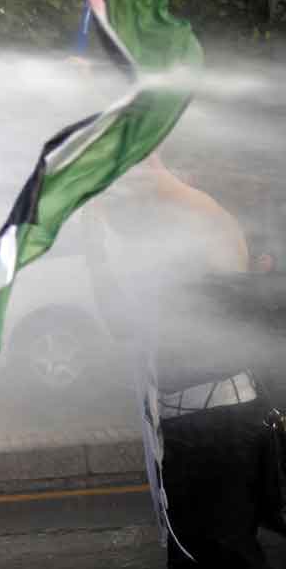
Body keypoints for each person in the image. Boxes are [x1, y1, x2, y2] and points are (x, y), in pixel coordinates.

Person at [86, 153, 276, 568]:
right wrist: (94, 242)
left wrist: (163, 179)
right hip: (178, 430)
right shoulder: (160, 262)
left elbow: (218, 231)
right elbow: (120, 323)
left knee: (227, 549)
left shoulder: (215, 233)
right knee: (188, 548)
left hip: (224, 428)